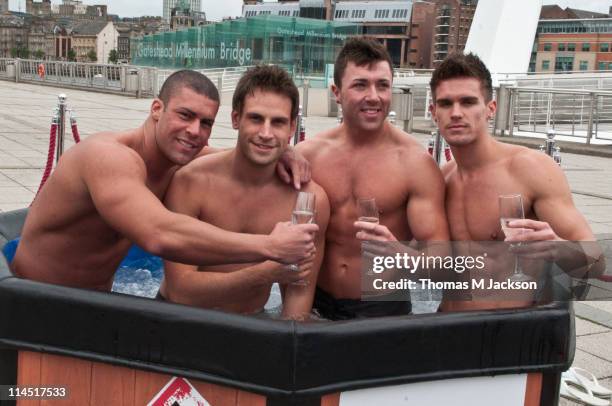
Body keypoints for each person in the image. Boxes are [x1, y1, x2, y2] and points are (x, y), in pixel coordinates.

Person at [11, 70, 318, 291]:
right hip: (32, 302)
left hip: (97, 303)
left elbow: (239, 156)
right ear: (157, 109)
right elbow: (158, 234)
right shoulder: (108, 158)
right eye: (185, 115)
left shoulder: (179, 158)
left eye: (205, 123)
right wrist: (269, 246)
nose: (194, 131)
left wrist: (283, 153)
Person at [356, 52, 599, 310]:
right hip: (448, 330)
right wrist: (399, 255)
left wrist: (558, 248)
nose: (456, 113)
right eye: (446, 103)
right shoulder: (440, 180)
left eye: (468, 102)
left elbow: (596, 261)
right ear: (434, 112)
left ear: (490, 108)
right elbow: (436, 270)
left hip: (508, 334)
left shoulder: (530, 170)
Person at [159, 65, 329, 320]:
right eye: (256, 118)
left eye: (278, 122)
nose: (266, 133)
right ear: (236, 118)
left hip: (254, 322)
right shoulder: (191, 182)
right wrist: (267, 273)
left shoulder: (307, 201)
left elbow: (297, 297)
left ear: (293, 127)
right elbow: (181, 291)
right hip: (182, 318)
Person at [297, 38, 449, 320]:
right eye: (360, 85)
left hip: (383, 309)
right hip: (316, 305)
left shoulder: (415, 164)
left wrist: (398, 253)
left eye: (382, 85)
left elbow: (441, 262)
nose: (374, 96)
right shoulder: (307, 156)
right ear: (336, 92)